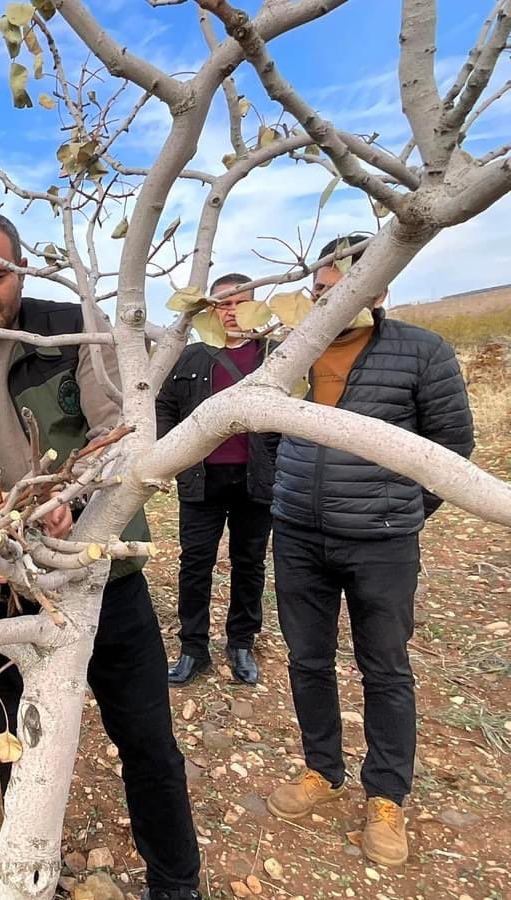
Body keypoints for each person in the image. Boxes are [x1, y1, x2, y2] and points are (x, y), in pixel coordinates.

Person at [0, 210, 203, 900]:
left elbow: (120, 430)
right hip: (3, 593)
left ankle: (177, 883)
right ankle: (32, 874)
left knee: (148, 742)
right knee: (19, 742)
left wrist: (72, 494)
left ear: (22, 269)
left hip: (102, 577)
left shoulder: (73, 331)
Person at [264, 234, 474, 868]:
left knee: (384, 668)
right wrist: (285, 493)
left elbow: (450, 447)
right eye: (320, 292)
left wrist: (399, 508)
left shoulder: (422, 351)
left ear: (379, 290)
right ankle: (322, 769)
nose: (330, 302)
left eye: (346, 290)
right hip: (297, 535)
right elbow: (265, 431)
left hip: (382, 543)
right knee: (308, 659)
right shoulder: (290, 352)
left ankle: (386, 796)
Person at [156, 274, 280, 686]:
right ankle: (193, 648)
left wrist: (279, 461)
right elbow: (164, 407)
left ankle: (241, 642)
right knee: (194, 565)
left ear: (256, 306)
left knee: (249, 562)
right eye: (223, 304)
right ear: (211, 309)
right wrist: (170, 454)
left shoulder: (275, 356)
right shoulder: (190, 357)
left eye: (241, 302)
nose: (231, 311)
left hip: (256, 478)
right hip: (201, 478)